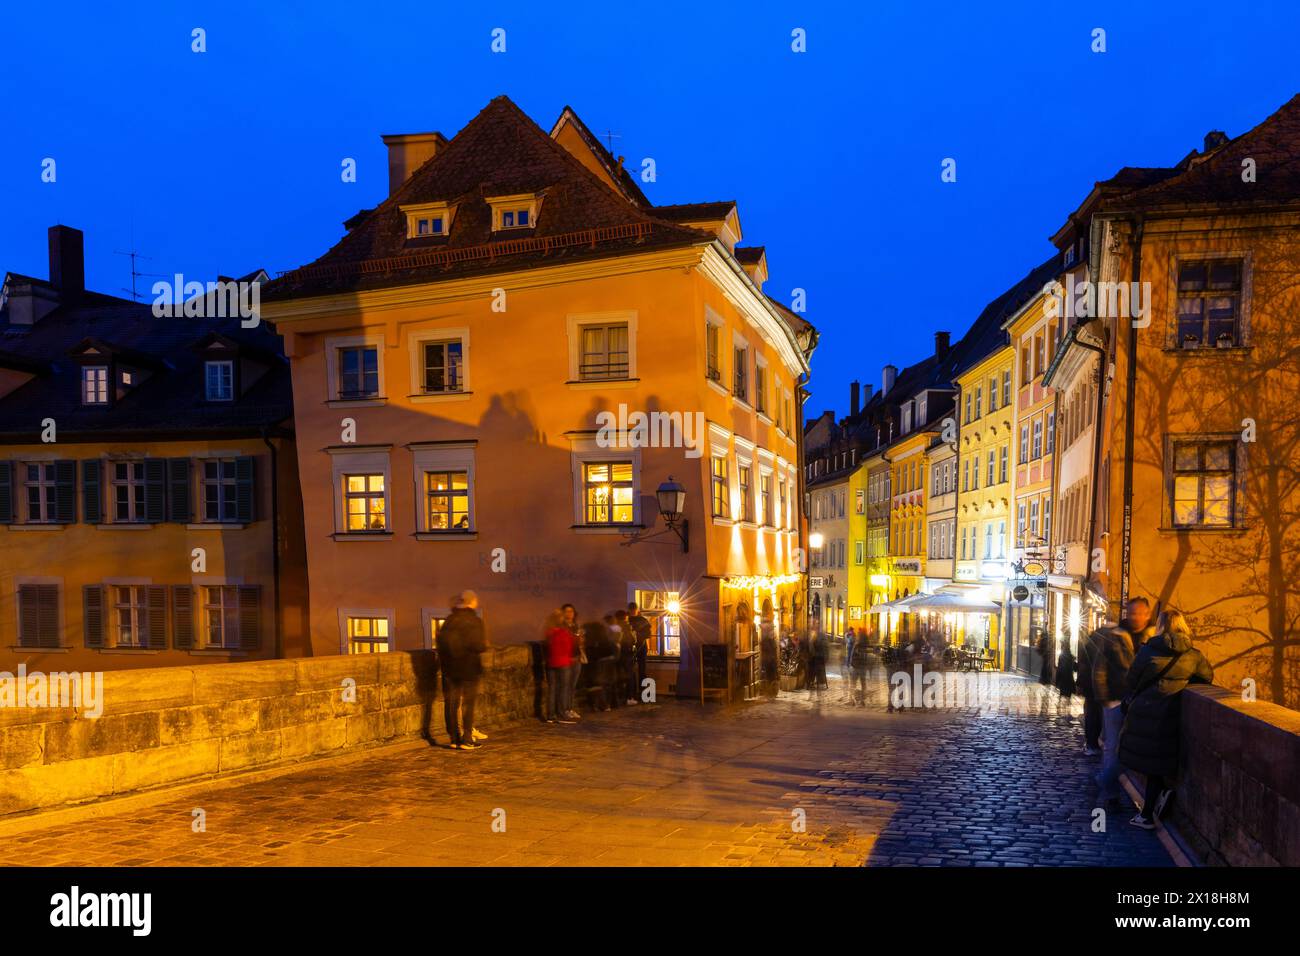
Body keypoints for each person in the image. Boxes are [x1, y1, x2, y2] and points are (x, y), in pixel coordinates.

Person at [1120, 608, 1213, 829]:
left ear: (1162, 626)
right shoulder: (1193, 655)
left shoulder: (1149, 650)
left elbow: (1131, 680)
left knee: (1150, 763)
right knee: (1156, 761)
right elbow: (1206, 677)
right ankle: (1159, 797)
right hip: (1170, 714)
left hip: (1145, 713)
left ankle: (1147, 815)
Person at [1092, 597, 1155, 808]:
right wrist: (1104, 698)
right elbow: (1100, 667)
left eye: (1139, 613)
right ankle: (1111, 794)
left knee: (1138, 749)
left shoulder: (1155, 637)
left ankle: (1104, 779)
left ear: (1147, 614)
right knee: (1112, 747)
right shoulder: (1114, 636)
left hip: (1144, 702)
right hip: (1116, 700)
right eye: (1132, 612)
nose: (1135, 617)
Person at [438, 590, 488, 750]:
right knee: (468, 704)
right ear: (472, 602)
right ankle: (467, 738)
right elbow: (478, 645)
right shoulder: (474, 620)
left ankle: (454, 738)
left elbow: (441, 644)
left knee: (452, 704)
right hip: (469, 668)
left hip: (451, 668)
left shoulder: (449, 620)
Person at [544, 610, 576, 724]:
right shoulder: (563, 632)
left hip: (551, 662)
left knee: (552, 689)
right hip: (563, 662)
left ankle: (550, 715)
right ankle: (561, 713)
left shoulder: (549, 632)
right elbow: (568, 647)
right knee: (563, 689)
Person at [1077, 623, 1105, 755]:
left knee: (1092, 715)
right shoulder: (1100, 645)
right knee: (1096, 715)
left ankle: (1092, 744)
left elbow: (1083, 665)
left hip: (1092, 686)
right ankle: (1095, 743)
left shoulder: (1089, 644)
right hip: (1096, 687)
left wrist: (1080, 684)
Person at [561, 604, 583, 720]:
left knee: (572, 686)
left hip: (576, 657)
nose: (569, 614)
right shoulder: (562, 626)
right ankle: (564, 710)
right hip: (567, 659)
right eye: (567, 611)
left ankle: (570, 708)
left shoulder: (575, 626)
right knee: (566, 686)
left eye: (571, 611)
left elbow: (578, 642)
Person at [628, 602, 651, 704]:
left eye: (634, 609)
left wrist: (638, 635)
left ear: (637, 610)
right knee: (632, 672)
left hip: (641, 647)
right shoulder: (628, 620)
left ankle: (643, 694)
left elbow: (648, 634)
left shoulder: (642, 620)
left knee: (642, 671)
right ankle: (633, 694)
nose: (633, 611)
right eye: (631, 609)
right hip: (632, 648)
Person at [848, 626, 872, 706]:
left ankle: (852, 700)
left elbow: (852, 656)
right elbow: (868, 657)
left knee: (853, 683)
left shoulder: (857, 645)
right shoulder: (866, 646)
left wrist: (851, 664)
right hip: (863, 667)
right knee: (863, 684)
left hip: (856, 667)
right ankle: (862, 701)